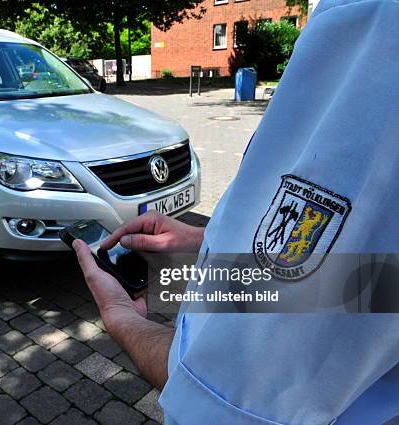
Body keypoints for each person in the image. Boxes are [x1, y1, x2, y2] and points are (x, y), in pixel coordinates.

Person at [73, 0, 399, 423]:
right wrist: (210, 241)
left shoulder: (374, 24)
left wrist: (122, 320)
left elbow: (222, 407)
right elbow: (370, 281)